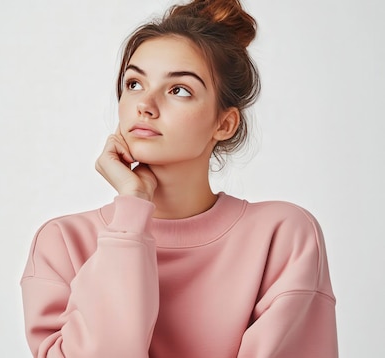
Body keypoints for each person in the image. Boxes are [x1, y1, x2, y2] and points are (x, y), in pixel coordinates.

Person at [20, 0, 338, 357]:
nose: (145, 104)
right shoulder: (63, 243)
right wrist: (130, 216)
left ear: (224, 123)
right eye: (134, 83)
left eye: (179, 90)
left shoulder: (282, 236)